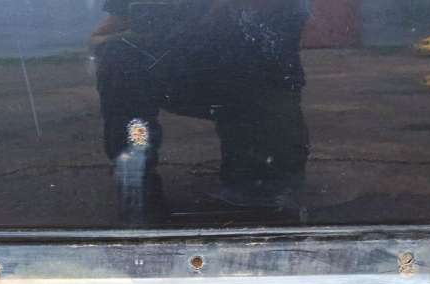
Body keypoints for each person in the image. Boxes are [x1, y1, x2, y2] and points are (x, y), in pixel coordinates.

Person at [91, 0, 310, 222]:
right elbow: (102, 36)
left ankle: (257, 177)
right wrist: (143, 39)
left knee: (262, 197)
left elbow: (279, 31)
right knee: (117, 56)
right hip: (183, 70)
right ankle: (136, 176)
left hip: (250, 77)